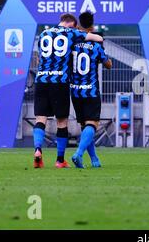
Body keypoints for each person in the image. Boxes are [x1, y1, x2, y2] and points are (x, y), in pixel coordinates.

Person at [33, 13, 103, 169]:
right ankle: (59, 160)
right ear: (71, 24)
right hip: (60, 82)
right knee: (62, 122)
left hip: (42, 80)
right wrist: (89, 36)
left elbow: (40, 57)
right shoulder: (72, 32)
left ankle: (38, 150)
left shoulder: (44, 33)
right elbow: (98, 39)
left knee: (40, 119)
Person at [70, 11, 112, 168]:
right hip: (91, 90)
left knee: (85, 126)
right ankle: (78, 154)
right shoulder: (96, 45)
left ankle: (94, 160)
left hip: (75, 91)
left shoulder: (72, 43)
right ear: (92, 25)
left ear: (79, 24)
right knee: (92, 124)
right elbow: (108, 64)